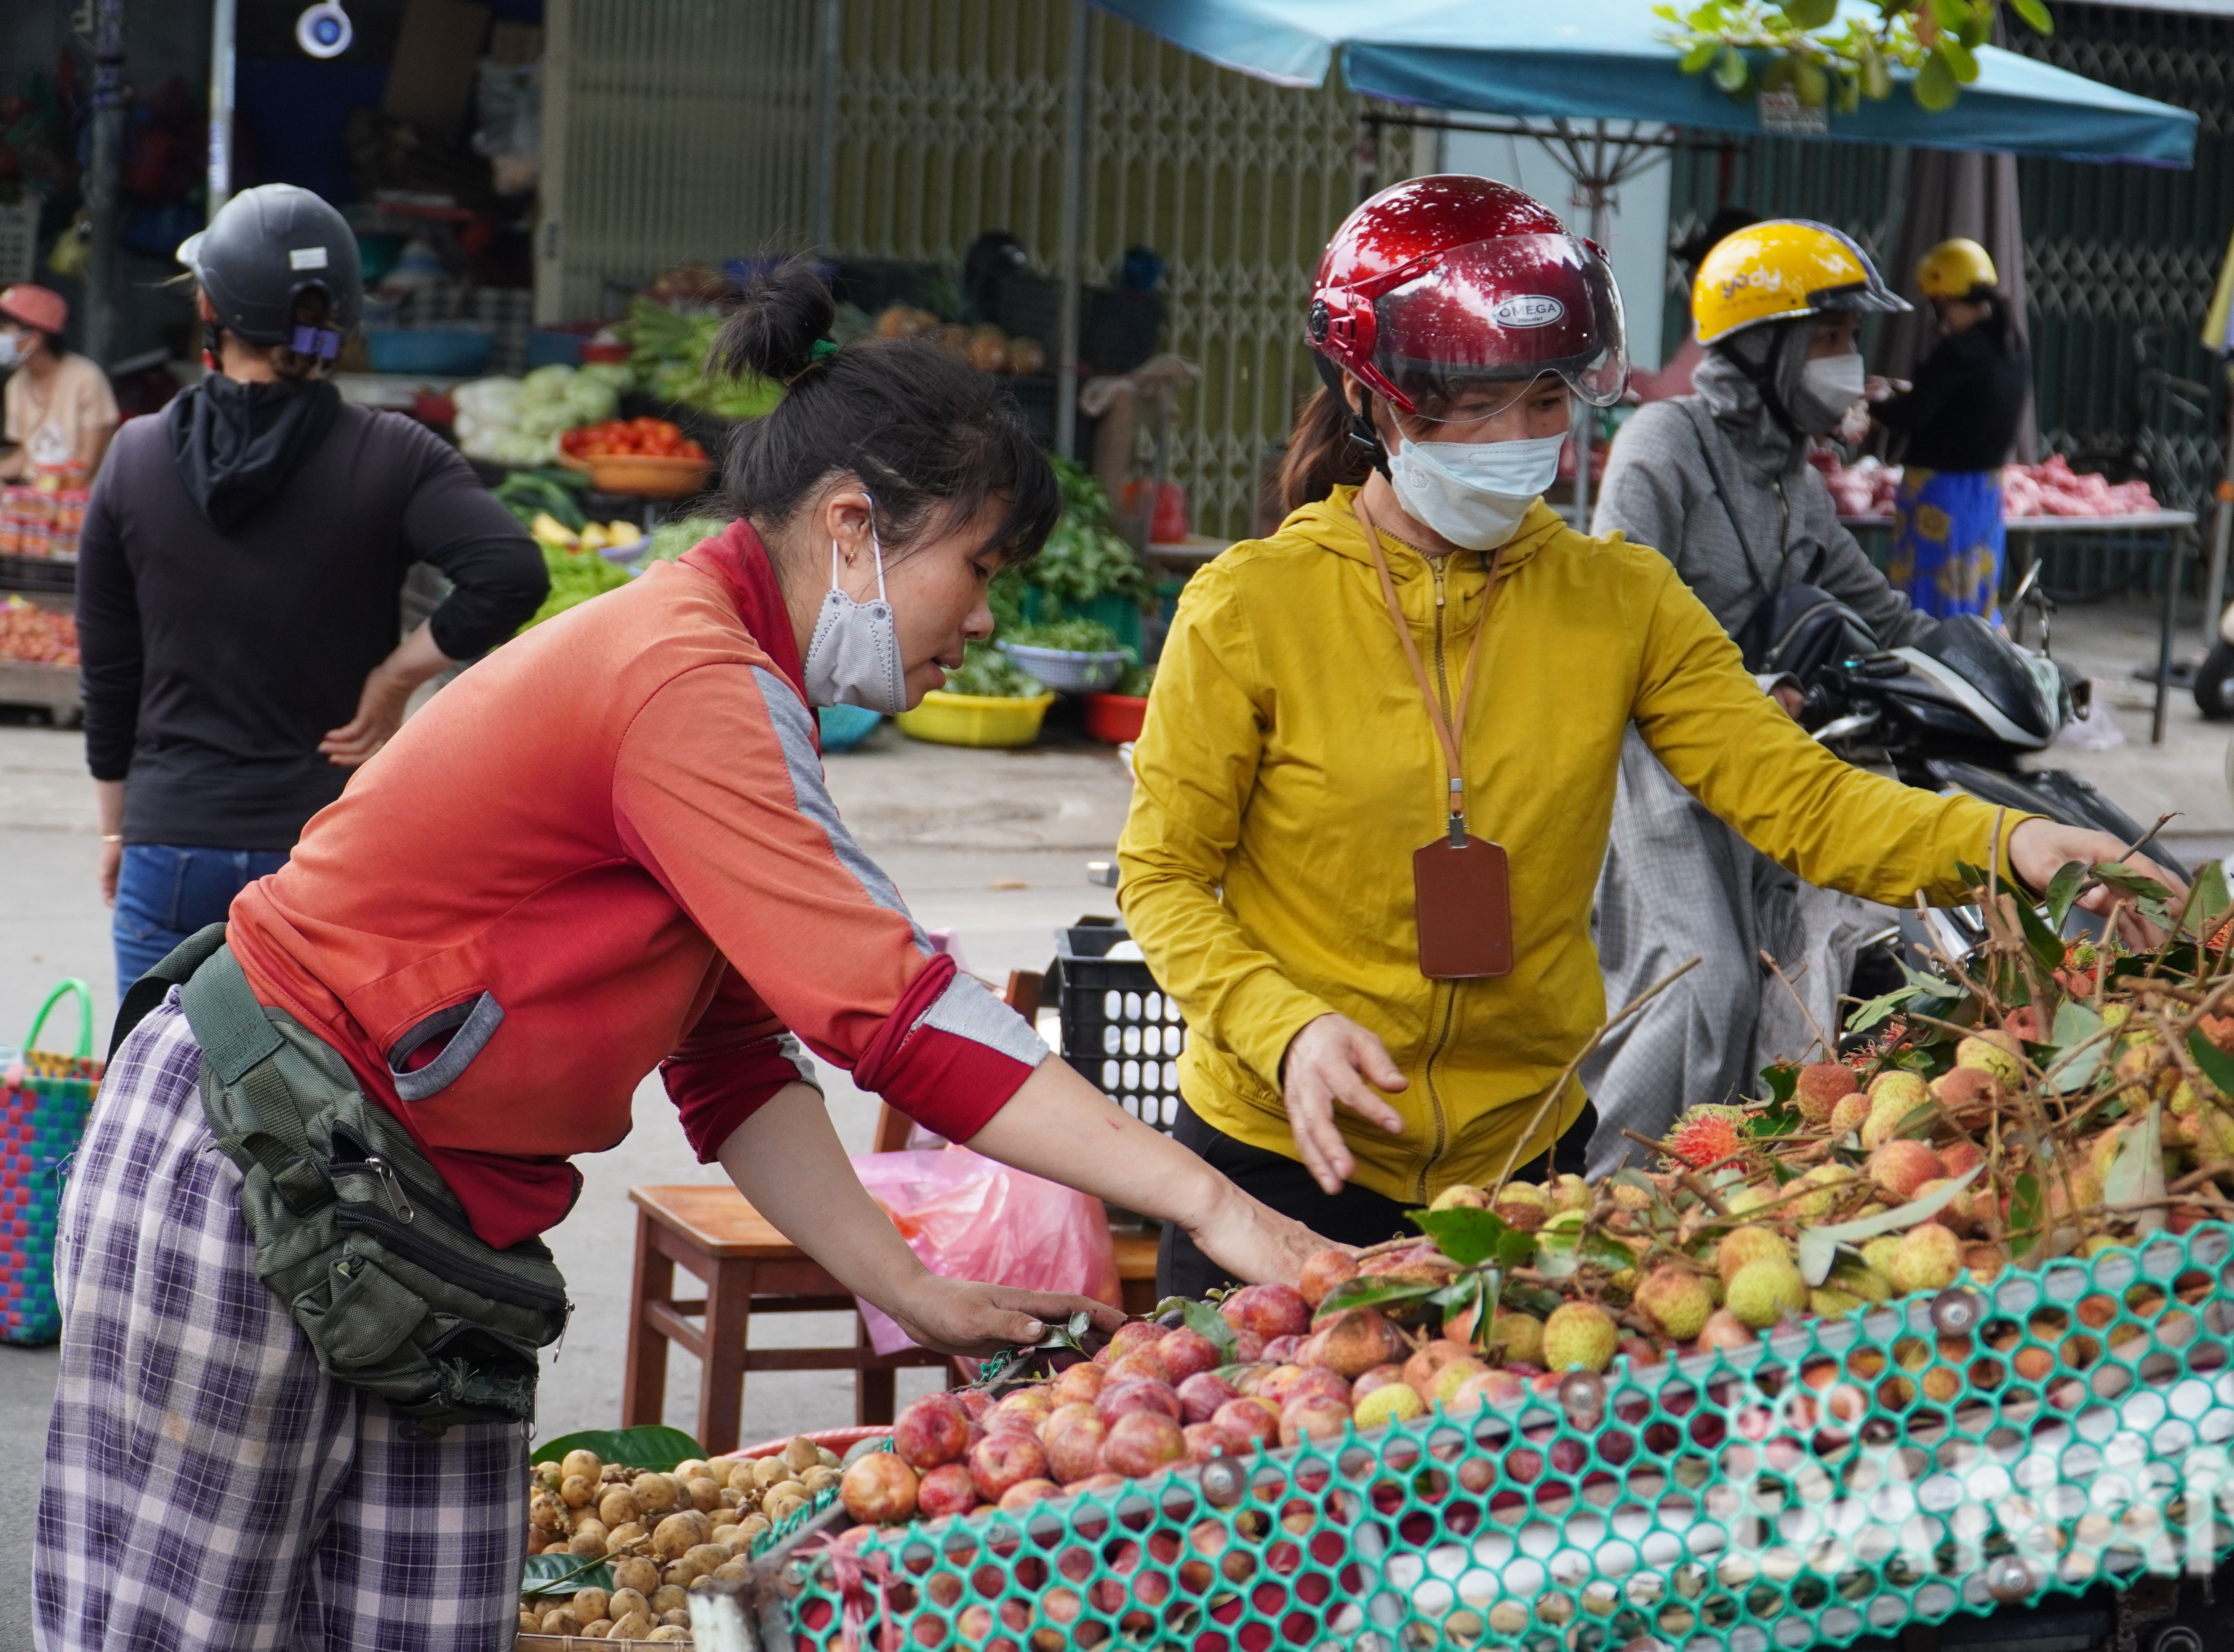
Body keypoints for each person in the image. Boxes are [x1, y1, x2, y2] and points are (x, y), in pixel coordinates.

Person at [38, 264, 1323, 1651]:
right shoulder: (691, 678)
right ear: (852, 528)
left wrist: (901, 1283)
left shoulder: (742, 691)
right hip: (259, 1161)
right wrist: (1218, 1204)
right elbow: (889, 1009)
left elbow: (729, 1057)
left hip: (425, 1222)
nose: (987, 620)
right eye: (981, 568)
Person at [1118, 178, 2179, 1297]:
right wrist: (1283, 1028)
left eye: (1542, 401)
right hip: (1281, 1161)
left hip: (1523, 1170)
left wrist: (2014, 844)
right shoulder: (1248, 606)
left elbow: (1802, 801)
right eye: (1471, 405)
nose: (1516, 439)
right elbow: (1165, 875)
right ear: (1367, 394)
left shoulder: (1620, 599)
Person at [76, 183, 549, 999]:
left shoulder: (135, 456)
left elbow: (109, 669)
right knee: (313, 1116)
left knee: (161, 1111)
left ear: (209, 307)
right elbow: (511, 571)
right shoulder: (395, 454)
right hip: (330, 848)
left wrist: (120, 824)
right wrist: (396, 677)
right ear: (340, 323)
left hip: (172, 841)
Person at [1584, 219, 1954, 1166]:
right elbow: (1613, 621)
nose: (1850, 362)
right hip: (1659, 758)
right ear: (1763, 345)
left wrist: (1990, 667)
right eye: (1830, 339)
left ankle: (1721, 1179)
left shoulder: (1794, 478)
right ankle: (1613, 1189)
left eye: (1847, 340)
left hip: (1770, 762)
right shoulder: (1661, 446)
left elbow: (1883, 609)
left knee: (1790, 981)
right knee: (1706, 987)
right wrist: (1747, 685)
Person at [1872, 236, 2032, 620]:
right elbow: (1969, 403)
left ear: (1946, 298)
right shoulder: (2012, 344)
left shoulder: (1961, 350)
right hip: (1985, 494)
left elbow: (1912, 414)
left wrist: (1872, 406)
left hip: (1941, 496)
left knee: (1929, 604)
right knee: (1972, 600)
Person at [1623, 206, 1759, 404]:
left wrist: (1609, 376)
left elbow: (1667, 395)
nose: (1695, 279)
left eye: (1701, 270)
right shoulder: (1756, 325)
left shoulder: (1725, 328)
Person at [0, 283, 117, 487]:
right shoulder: (16, 385)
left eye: (4, 330)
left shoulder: (87, 378)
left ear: (34, 338)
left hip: (77, 502)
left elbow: (87, 464)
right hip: (33, 496)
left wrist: (41, 494)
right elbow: (27, 455)